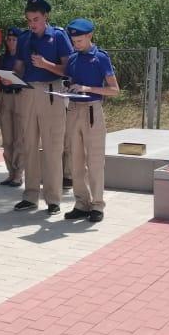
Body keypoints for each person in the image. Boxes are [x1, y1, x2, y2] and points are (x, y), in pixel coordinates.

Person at [12, 0, 73, 215]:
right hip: (27, 93)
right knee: (28, 145)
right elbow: (19, 67)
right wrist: (10, 77)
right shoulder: (24, 38)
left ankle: (53, 199)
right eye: (29, 20)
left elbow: (68, 69)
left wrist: (46, 64)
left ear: (46, 16)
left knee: (52, 148)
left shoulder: (58, 36)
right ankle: (29, 196)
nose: (32, 24)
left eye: (36, 19)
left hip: (51, 93)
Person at [63, 18, 119, 223]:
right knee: (75, 160)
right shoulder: (73, 58)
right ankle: (81, 203)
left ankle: (97, 205)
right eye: (73, 41)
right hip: (73, 109)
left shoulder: (101, 58)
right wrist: (68, 85)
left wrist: (88, 89)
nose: (76, 44)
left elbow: (114, 90)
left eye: (79, 40)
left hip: (92, 111)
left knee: (94, 160)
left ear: (89, 36)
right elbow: (69, 79)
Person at [0, 27, 26, 187]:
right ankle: (10, 173)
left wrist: (14, 80)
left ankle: (19, 174)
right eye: (9, 39)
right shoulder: (2, 59)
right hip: (5, 98)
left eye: (14, 39)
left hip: (19, 97)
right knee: (7, 139)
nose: (11, 42)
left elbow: (26, 80)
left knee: (19, 139)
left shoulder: (24, 58)